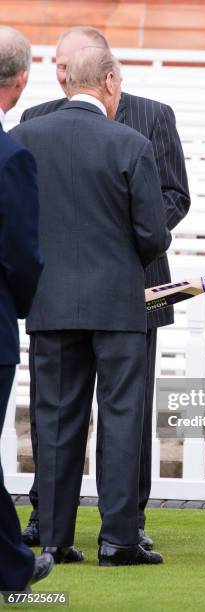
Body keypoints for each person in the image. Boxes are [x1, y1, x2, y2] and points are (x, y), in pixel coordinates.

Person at [20, 26, 190, 552]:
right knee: (120, 418)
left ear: (69, 79)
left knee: (53, 418)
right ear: (110, 81)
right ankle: (118, 540)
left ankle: (51, 540)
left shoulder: (24, 137)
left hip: (49, 301)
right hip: (120, 303)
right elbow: (152, 234)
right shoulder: (130, 142)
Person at [0, 26, 53, 594]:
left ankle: (13, 565)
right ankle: (13, 567)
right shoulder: (11, 155)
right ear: (19, 83)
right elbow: (20, 254)